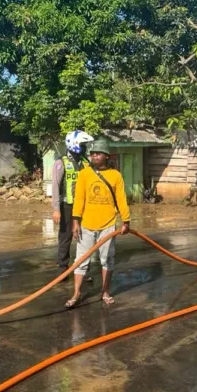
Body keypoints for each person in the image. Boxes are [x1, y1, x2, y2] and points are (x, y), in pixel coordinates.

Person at [66, 138, 130, 308]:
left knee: (107, 260)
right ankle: (76, 293)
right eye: (92, 154)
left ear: (106, 156)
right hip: (86, 225)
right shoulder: (84, 174)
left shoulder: (115, 176)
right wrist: (75, 222)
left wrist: (126, 220)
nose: (94, 156)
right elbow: (79, 199)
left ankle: (105, 291)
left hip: (108, 225)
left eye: (98, 153)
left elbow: (121, 200)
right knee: (81, 260)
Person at [52, 130, 94, 279]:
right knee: (65, 237)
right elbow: (56, 187)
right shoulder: (61, 162)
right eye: (82, 145)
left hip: (84, 206)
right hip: (67, 205)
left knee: (85, 237)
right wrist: (56, 209)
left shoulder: (85, 162)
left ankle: (83, 268)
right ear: (75, 144)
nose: (85, 147)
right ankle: (63, 268)